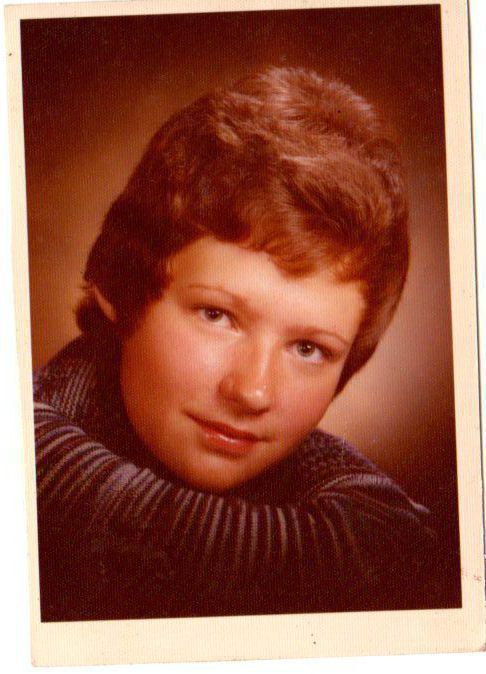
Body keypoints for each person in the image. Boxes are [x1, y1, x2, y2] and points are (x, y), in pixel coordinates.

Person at [34, 66, 438, 621]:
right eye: (217, 315)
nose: (252, 391)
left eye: (308, 349)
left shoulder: (381, 538)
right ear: (119, 286)